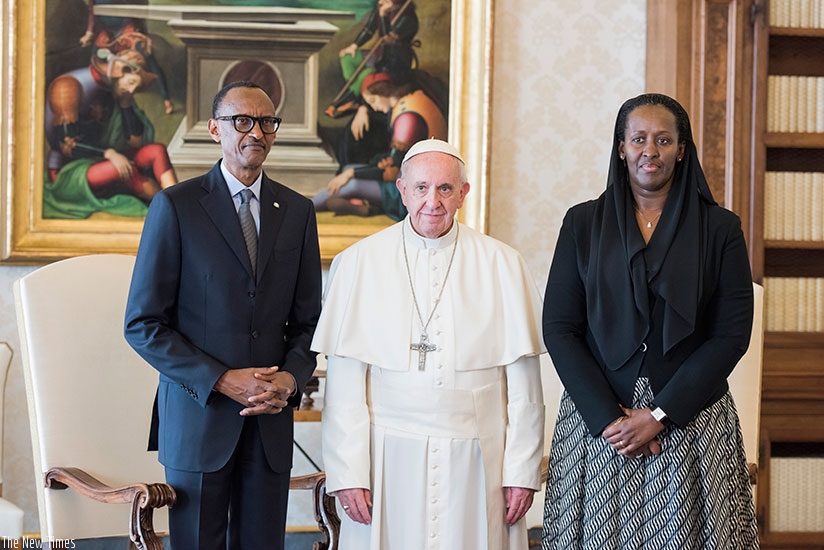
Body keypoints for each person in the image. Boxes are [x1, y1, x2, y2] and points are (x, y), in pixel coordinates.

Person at [541, 93, 758, 549]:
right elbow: (560, 327)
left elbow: (731, 334)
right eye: (638, 139)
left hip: (690, 417)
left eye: (663, 139)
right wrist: (607, 420)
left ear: (682, 149)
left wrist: (660, 415)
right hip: (600, 422)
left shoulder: (721, 229)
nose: (650, 151)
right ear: (621, 147)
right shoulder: (581, 223)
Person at [313, 138, 546, 549]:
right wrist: (349, 474)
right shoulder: (359, 262)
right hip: (387, 460)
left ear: (463, 194)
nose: (432, 201)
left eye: (445, 189)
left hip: (480, 461)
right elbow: (345, 389)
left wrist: (521, 473)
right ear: (401, 190)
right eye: (421, 188)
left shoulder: (503, 264)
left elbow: (525, 390)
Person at [124, 80, 322, 550]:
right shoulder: (175, 206)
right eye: (242, 121)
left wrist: (290, 382)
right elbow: (143, 325)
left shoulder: (297, 211)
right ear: (215, 129)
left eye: (267, 122)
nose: (256, 131)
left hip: (270, 425)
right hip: (199, 420)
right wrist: (221, 379)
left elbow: (311, 323)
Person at [44, 33, 177, 219]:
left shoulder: (114, 90)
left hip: (104, 161)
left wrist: (125, 104)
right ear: (120, 70)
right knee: (121, 169)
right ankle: (172, 210)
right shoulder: (69, 87)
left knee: (156, 150)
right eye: (131, 83)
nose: (131, 91)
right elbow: (68, 145)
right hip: (68, 172)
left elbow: (136, 143)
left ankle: (176, 199)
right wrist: (109, 153)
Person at [313, 71, 447, 220]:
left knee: (352, 184)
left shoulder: (407, 118)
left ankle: (306, 208)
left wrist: (351, 174)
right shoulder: (408, 101)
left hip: (415, 190)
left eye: (373, 101)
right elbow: (398, 158)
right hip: (408, 176)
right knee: (347, 169)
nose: (374, 107)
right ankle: (368, 208)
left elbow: (392, 172)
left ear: (384, 92)